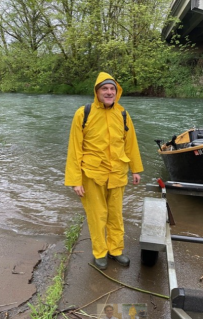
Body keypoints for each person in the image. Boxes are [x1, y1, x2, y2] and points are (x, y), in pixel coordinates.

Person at [65, 71, 143, 270]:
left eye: (112, 89)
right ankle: (100, 252)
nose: (109, 92)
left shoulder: (123, 114)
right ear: (97, 92)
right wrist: (75, 180)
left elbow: (131, 144)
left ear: (117, 92)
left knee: (116, 216)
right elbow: (74, 149)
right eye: (104, 89)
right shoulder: (83, 113)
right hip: (91, 175)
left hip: (117, 173)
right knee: (97, 216)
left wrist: (135, 169)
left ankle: (115, 250)